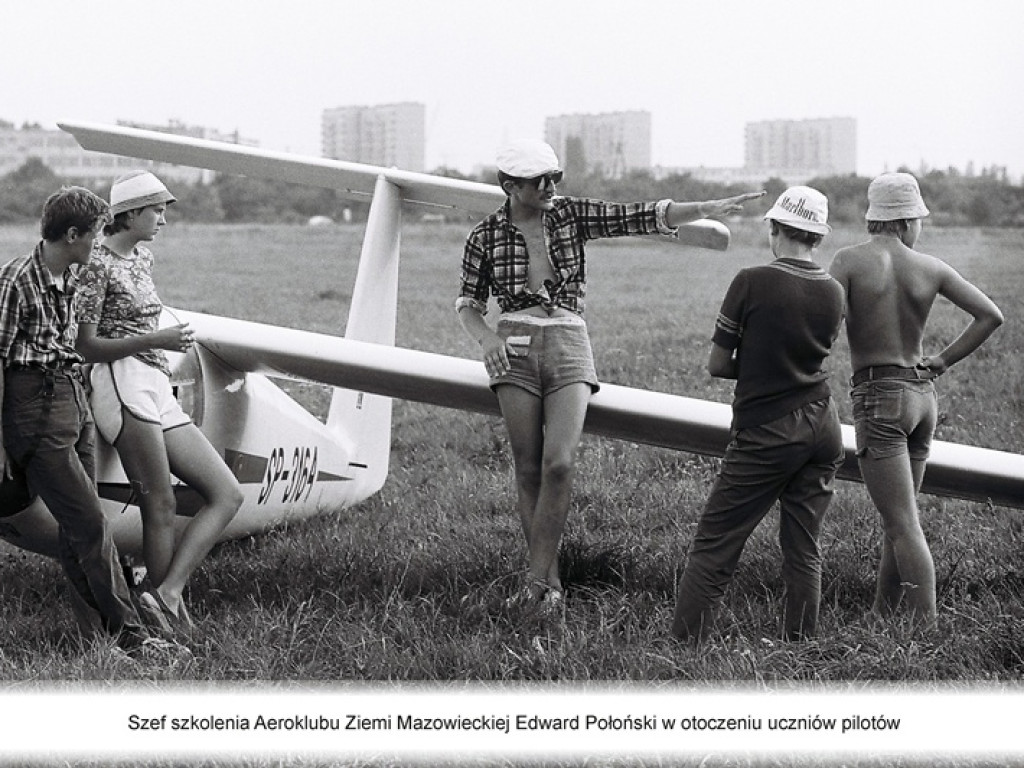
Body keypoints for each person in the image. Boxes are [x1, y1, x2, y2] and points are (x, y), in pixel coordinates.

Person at [456, 139, 764, 612]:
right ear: (509, 186)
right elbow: (469, 305)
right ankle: (549, 587)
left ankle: (536, 581)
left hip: (568, 342)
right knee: (528, 467)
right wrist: (487, 340)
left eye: (554, 177)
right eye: (539, 180)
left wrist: (704, 206)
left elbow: (637, 215)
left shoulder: (570, 215)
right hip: (514, 344)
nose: (550, 187)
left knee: (560, 461)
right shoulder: (484, 235)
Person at [828, 172, 1003, 629]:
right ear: (907, 221)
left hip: (878, 397)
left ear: (877, 218)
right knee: (899, 517)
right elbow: (990, 315)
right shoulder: (932, 268)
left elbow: (823, 326)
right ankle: (881, 614)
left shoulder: (847, 262)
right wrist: (942, 361)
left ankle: (926, 631)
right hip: (922, 398)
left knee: (902, 523)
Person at [671, 186, 845, 643]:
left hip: (769, 428)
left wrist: (756, 364)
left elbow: (716, 364)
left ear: (775, 228)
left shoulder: (751, 280)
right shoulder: (834, 292)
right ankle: (800, 645)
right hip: (824, 423)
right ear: (817, 236)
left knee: (715, 545)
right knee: (804, 548)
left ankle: (684, 649)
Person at [75, 171, 243, 630]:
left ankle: (166, 594)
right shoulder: (93, 269)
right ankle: (164, 618)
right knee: (161, 503)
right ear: (129, 213)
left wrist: (161, 344)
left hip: (155, 384)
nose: (164, 220)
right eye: (158, 210)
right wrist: (159, 337)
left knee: (226, 493)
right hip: (120, 383)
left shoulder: (143, 259)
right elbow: (84, 347)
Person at [0, 186, 162, 653]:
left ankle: (94, 634)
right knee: (90, 523)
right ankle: (132, 636)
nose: (98, 242)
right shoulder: (16, 281)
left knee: (80, 527)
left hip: (74, 401)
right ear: (71, 234)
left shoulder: (72, 275)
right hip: (33, 412)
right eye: (94, 234)